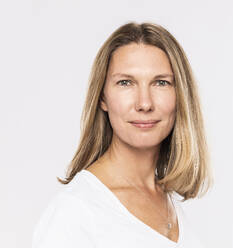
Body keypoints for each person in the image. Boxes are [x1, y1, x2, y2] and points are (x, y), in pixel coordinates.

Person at [31, 22, 214, 248]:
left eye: (161, 82)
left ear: (181, 96)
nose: (144, 103)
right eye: (125, 82)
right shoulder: (74, 213)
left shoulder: (168, 200)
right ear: (103, 97)